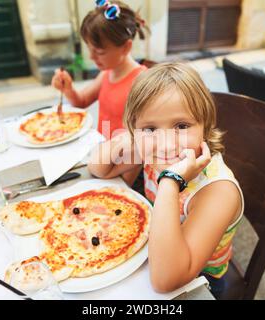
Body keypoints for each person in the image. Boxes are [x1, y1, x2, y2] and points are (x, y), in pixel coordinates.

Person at [87, 62, 244, 296]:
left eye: (181, 126)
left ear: (206, 126)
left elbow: (166, 280)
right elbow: (98, 168)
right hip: (151, 252)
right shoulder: (154, 151)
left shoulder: (218, 190)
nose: (167, 143)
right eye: (150, 127)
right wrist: (130, 139)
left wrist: (170, 181)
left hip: (199, 282)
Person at [51, 0, 149, 140]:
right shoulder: (107, 74)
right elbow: (82, 102)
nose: (91, 57)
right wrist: (68, 89)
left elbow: (148, 134)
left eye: (99, 52)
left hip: (125, 157)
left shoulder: (142, 82)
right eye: (89, 49)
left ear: (126, 47)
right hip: (103, 150)